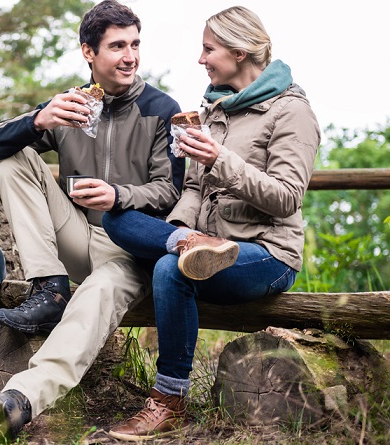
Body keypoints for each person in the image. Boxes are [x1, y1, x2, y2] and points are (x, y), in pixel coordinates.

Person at [102, 6, 321, 441]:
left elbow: (286, 197)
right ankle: (191, 244)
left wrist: (220, 158)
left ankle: (169, 401)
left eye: (208, 49)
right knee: (116, 213)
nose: (201, 60)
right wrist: (181, 231)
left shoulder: (291, 112)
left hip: (266, 252)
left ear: (239, 52)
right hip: (208, 244)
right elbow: (194, 190)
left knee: (170, 269)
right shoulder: (215, 107)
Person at [0, 1, 185, 442]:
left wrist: (119, 195)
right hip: (75, 238)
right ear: (88, 52)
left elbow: (171, 191)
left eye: (135, 44)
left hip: (129, 251)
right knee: (15, 158)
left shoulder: (161, 109)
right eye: (117, 46)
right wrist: (39, 119)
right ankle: (50, 285)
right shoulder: (70, 105)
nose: (130, 56)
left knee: (99, 293)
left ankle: (20, 399)